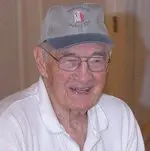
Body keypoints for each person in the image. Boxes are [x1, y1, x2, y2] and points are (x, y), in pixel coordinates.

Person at [0, 3, 145, 151]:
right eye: (70, 61)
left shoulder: (120, 117)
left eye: (96, 60)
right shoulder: (10, 126)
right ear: (42, 62)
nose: (84, 76)